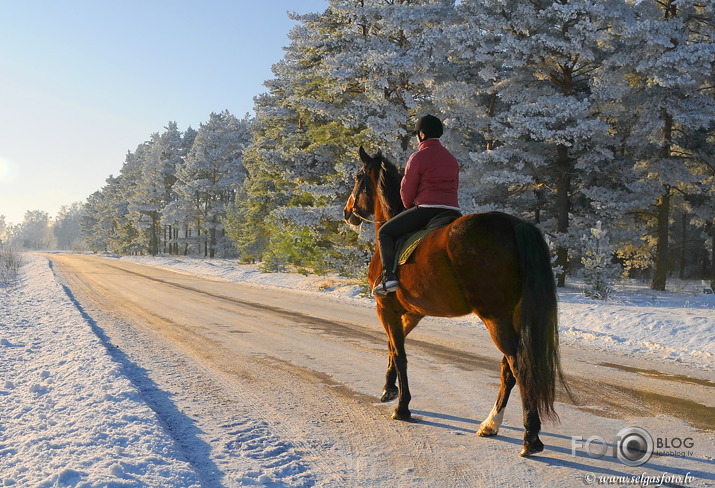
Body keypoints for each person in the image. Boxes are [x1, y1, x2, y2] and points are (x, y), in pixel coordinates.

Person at [373, 114, 460, 296]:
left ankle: (389, 278)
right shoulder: (451, 159)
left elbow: (406, 194)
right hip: (453, 211)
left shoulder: (418, 157)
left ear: (421, 134)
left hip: (427, 211)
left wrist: (409, 204)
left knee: (385, 232)